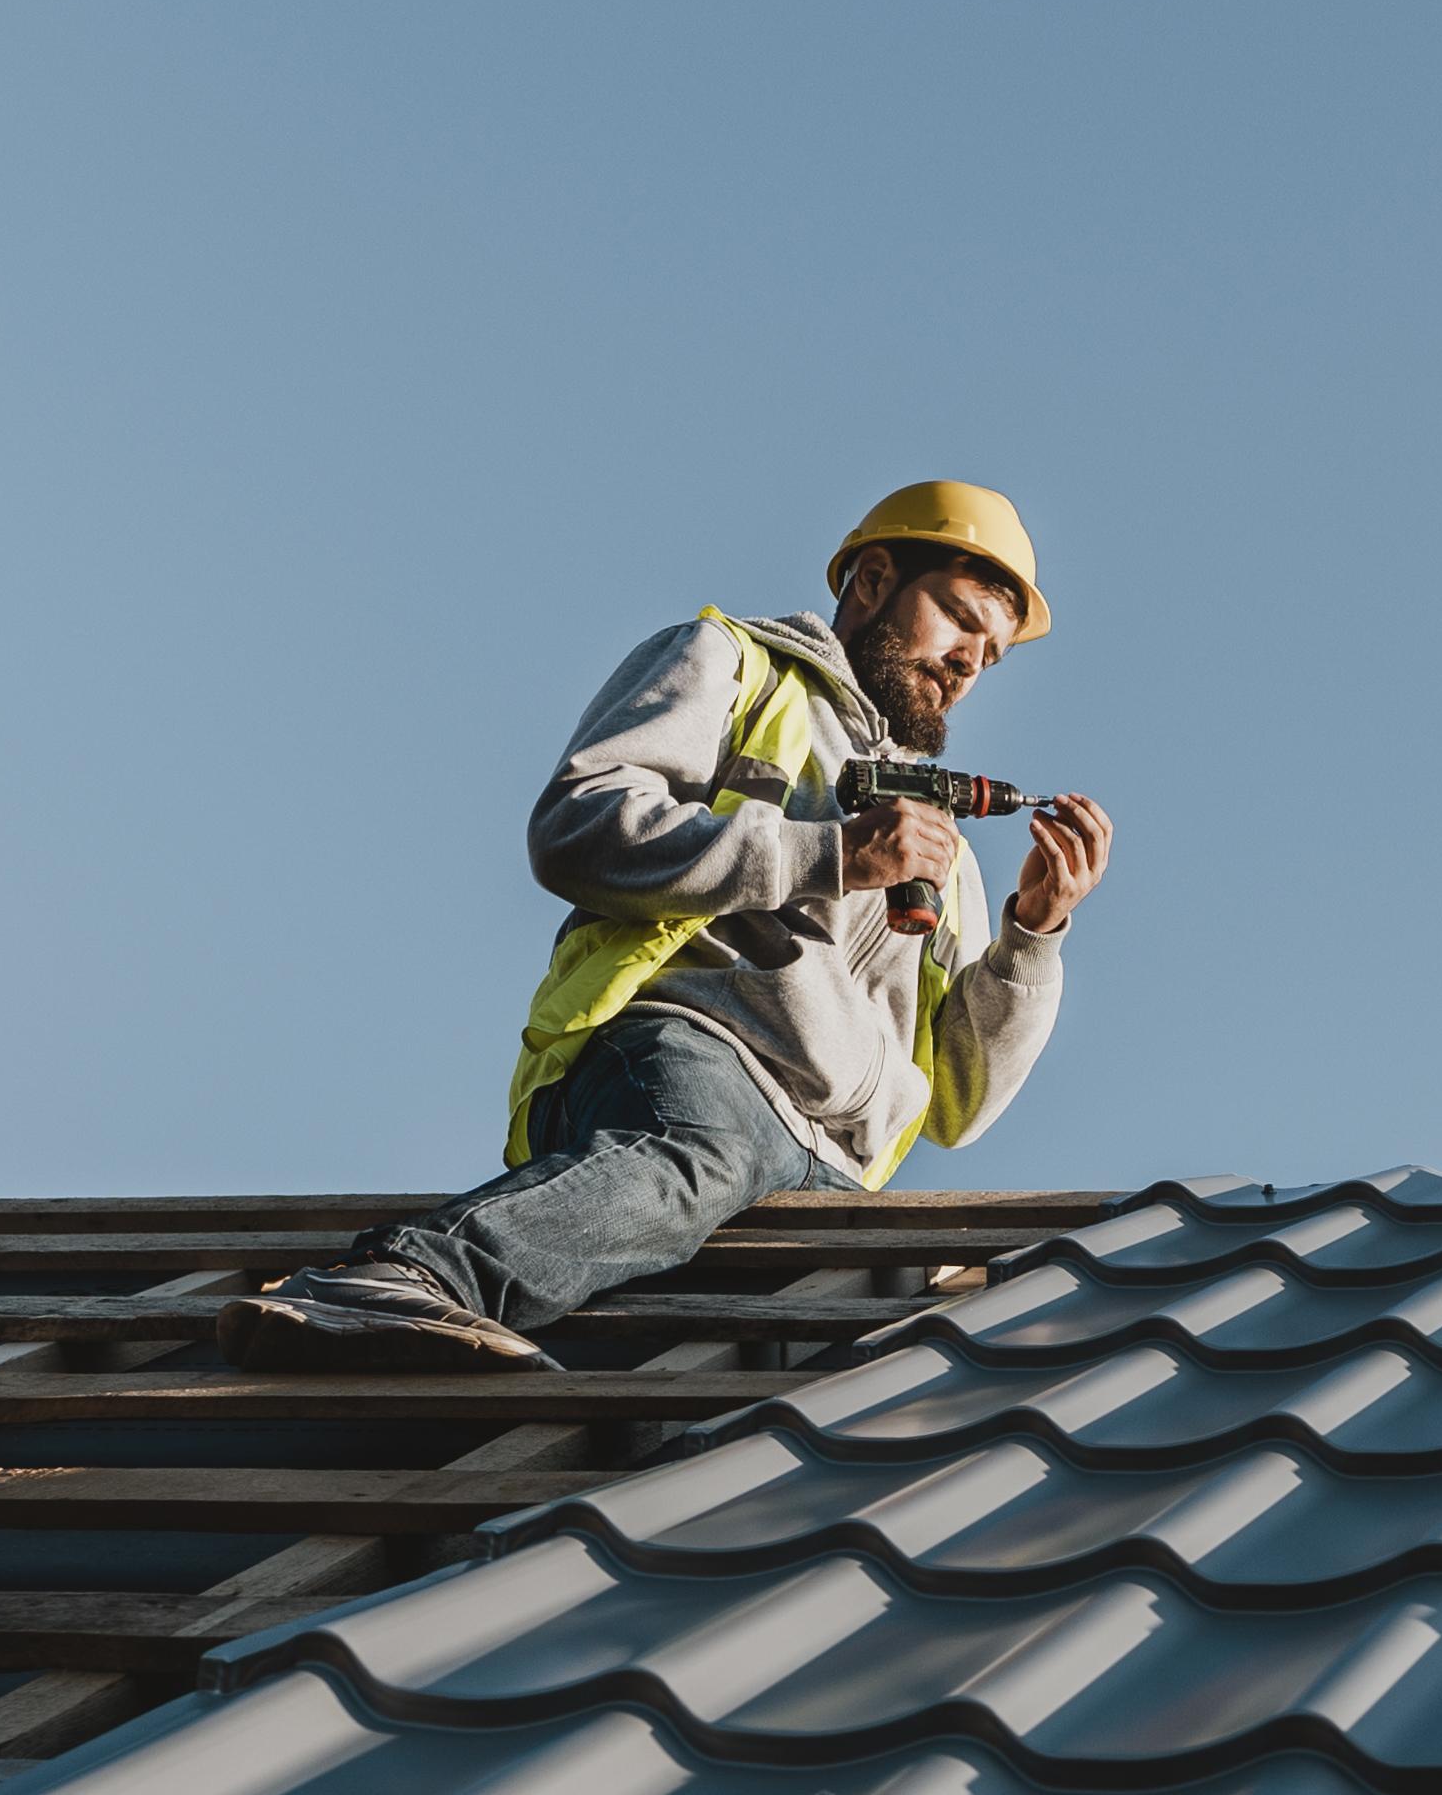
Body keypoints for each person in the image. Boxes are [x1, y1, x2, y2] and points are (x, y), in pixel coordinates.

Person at [218, 481, 1111, 1372]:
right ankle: (400, 1277)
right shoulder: (733, 668)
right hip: (697, 1061)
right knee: (693, 1156)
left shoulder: (942, 851)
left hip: (832, 1171)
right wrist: (829, 855)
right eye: (957, 620)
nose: (967, 662)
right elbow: (578, 828)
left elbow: (958, 1106)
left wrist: (1033, 935)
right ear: (873, 580)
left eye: (989, 655)